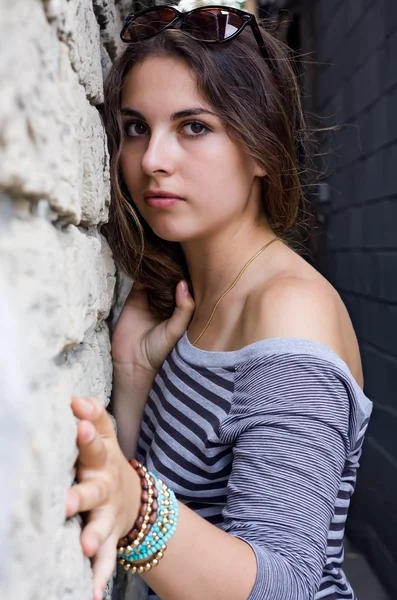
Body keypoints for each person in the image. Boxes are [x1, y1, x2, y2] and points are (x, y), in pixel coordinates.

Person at [66, 3, 373, 600]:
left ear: (262, 148)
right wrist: (132, 375)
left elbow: (284, 585)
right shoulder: (187, 297)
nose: (153, 159)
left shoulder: (289, 314)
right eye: (136, 127)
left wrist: (134, 505)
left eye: (194, 127)